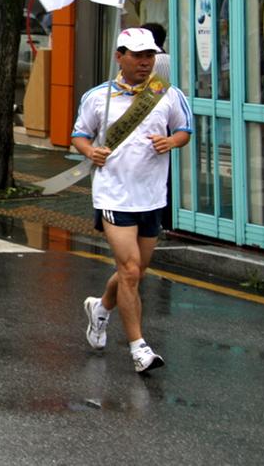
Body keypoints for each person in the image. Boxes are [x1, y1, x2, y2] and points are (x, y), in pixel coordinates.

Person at [72, 27, 191, 374]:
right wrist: (90, 151)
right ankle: (139, 348)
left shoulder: (167, 95)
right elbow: (79, 135)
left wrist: (172, 142)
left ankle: (100, 309)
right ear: (119, 57)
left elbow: (184, 130)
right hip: (113, 194)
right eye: (137, 56)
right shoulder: (98, 98)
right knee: (129, 269)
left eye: (149, 56)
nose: (144, 62)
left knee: (136, 271)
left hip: (152, 195)